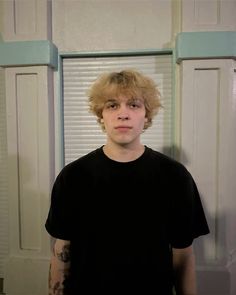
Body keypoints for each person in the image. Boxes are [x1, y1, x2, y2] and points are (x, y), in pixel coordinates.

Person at [45, 69, 210, 295]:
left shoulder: (175, 176)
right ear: (101, 114)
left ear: (147, 115)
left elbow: (183, 257)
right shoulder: (73, 177)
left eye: (133, 104)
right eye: (112, 105)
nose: (123, 114)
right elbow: (62, 253)